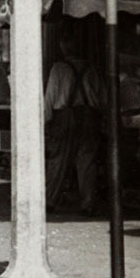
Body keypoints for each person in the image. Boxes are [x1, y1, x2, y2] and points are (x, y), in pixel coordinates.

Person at [45, 47, 104, 215]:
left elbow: (50, 96)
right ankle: (88, 204)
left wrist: (46, 120)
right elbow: (103, 98)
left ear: (64, 46)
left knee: (58, 159)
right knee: (87, 160)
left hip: (64, 116)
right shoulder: (93, 69)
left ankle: (50, 199)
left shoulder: (58, 68)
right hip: (90, 116)